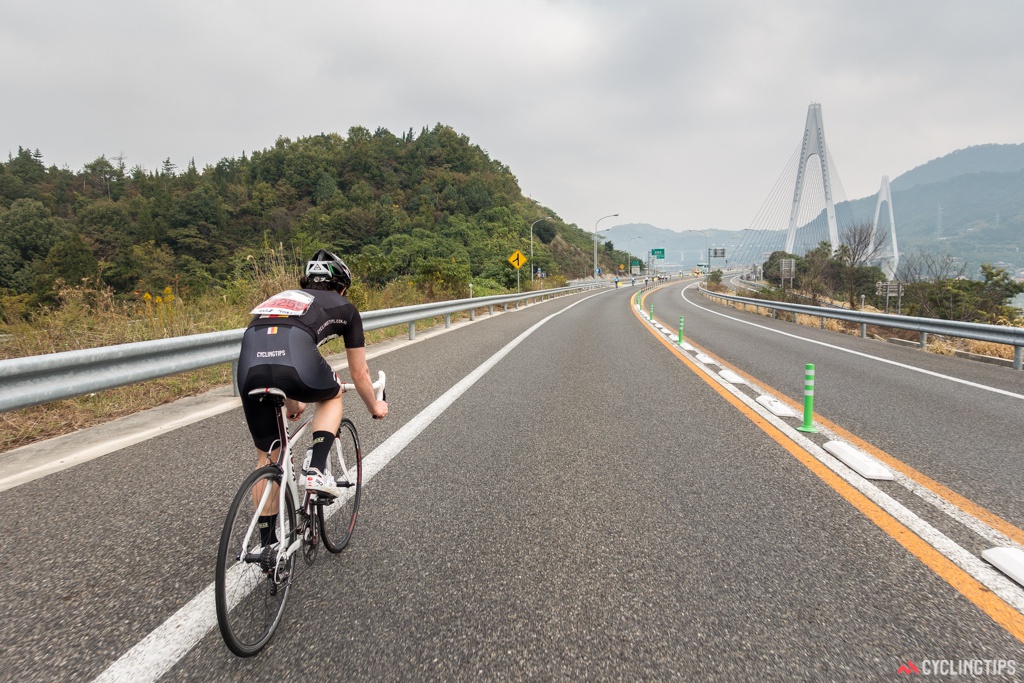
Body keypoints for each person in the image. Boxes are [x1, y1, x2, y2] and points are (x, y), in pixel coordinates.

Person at [236, 249, 388, 520]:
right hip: (294, 355)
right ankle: (316, 469)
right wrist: (375, 405)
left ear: (306, 283)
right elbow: (360, 372)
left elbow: (275, 355)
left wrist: (292, 401)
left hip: (250, 363)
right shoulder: (346, 308)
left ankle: (268, 550)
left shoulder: (282, 297)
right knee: (333, 393)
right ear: (342, 288)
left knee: (268, 458)